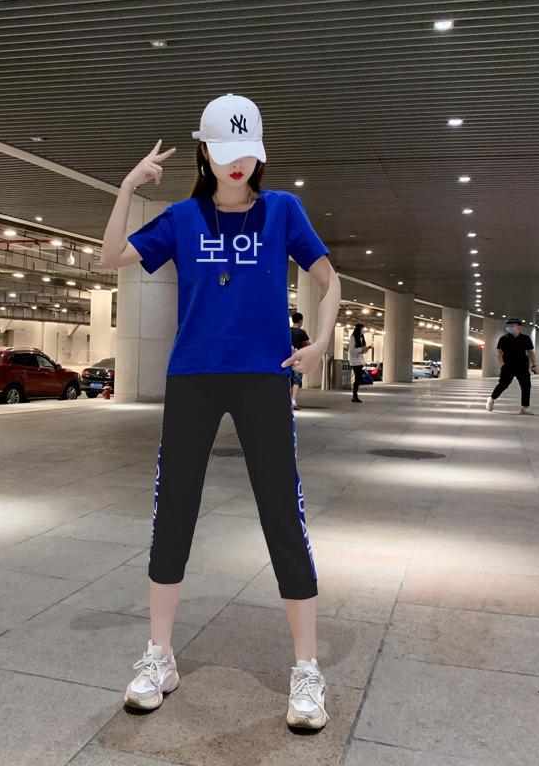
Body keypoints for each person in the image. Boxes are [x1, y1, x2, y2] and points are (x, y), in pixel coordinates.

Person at [100, 93, 341, 729]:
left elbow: (329, 279)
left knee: (282, 513)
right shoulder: (182, 217)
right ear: (205, 153)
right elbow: (111, 257)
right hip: (194, 378)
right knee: (173, 508)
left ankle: (307, 668)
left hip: (264, 377)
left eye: (248, 155)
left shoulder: (283, 210)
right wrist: (127, 187)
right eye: (227, 154)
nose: (240, 166)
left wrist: (320, 341)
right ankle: (159, 655)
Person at [486, 318, 537, 415]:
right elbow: (499, 353)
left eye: (512, 325)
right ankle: (491, 399)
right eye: (509, 326)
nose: (510, 327)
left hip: (522, 366)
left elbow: (530, 352)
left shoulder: (525, 338)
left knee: (526, 386)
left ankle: (524, 407)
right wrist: (503, 365)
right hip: (508, 366)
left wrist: (534, 365)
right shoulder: (504, 338)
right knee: (503, 385)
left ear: (519, 327)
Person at [289, 312, 310, 410]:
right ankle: (293, 401)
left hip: (288, 358)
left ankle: (287, 401)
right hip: (298, 359)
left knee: (289, 380)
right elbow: (309, 344)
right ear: (301, 321)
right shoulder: (301, 332)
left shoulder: (287, 331)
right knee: (297, 380)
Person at [348, 323, 372, 403]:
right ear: (359, 329)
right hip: (355, 362)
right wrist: (362, 349)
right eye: (362, 329)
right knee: (358, 378)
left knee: (358, 379)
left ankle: (355, 396)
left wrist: (366, 349)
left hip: (360, 361)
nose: (363, 331)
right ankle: (354, 396)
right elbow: (352, 351)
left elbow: (362, 352)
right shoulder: (353, 338)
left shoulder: (361, 338)